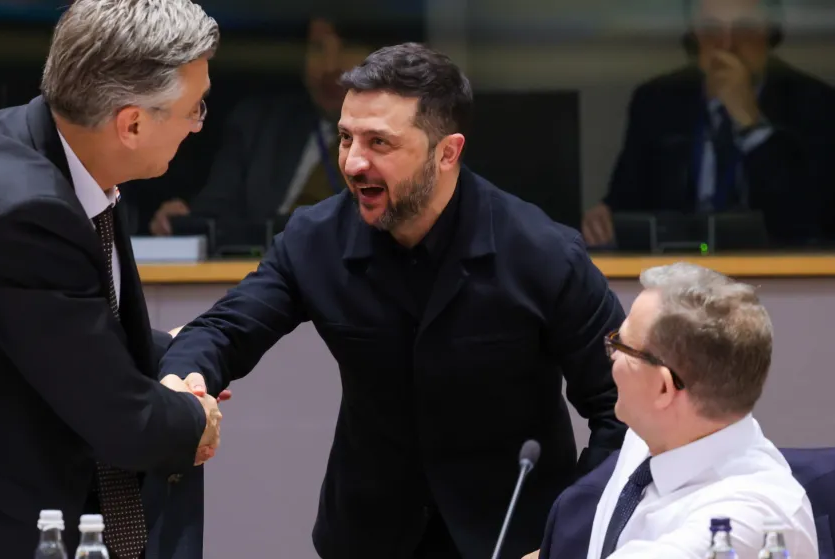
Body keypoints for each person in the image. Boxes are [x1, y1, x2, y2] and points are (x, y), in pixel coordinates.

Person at [161, 43, 627, 559]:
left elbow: (624, 410)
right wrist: (184, 383)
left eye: (379, 142)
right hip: (369, 535)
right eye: (345, 138)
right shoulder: (316, 237)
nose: (354, 162)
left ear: (447, 152)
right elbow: (224, 330)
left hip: (516, 537)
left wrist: (570, 533)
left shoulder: (542, 252)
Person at [0, 1, 223, 557]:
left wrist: (165, 350)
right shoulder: (22, 212)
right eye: (195, 108)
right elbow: (123, 424)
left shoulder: (40, 144)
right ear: (131, 123)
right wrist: (192, 416)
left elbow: (52, 322)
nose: (199, 124)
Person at [581, 262, 818, 558]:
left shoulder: (749, 525)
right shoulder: (655, 433)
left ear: (663, 388)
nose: (613, 355)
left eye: (622, 345)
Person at [582, 0, 835, 247]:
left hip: (778, 275)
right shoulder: (656, 100)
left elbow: (809, 221)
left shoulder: (817, 104)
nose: (726, 45)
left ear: (770, 33)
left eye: (744, 29)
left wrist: (751, 123)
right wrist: (605, 221)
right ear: (694, 35)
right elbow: (626, 204)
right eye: (711, 29)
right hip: (680, 272)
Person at [147, 14, 375, 238]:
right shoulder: (258, 126)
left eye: (346, 46)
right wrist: (181, 222)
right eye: (317, 48)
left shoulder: (401, 138)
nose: (329, 65)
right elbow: (213, 215)